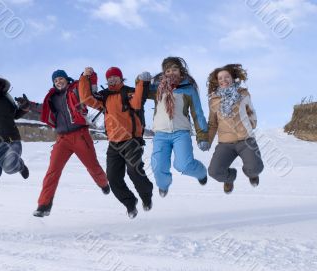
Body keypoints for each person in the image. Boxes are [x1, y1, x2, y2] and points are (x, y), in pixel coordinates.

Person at [78, 66, 153, 219]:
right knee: (112, 178)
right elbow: (86, 98)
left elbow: (137, 103)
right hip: (113, 143)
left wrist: (142, 83)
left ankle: (146, 196)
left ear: (120, 77)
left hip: (131, 141)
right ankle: (130, 203)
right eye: (109, 78)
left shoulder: (127, 91)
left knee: (134, 171)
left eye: (114, 77)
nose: (112, 79)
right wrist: (84, 78)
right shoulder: (104, 96)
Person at [33, 70, 109, 217]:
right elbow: (43, 109)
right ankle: (44, 205)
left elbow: (89, 88)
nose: (58, 82)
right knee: (52, 171)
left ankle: (103, 183)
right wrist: (28, 105)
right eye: (55, 80)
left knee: (92, 166)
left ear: (66, 79)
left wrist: (87, 74)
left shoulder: (76, 89)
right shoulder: (52, 97)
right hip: (62, 139)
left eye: (60, 79)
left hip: (80, 134)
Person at [147, 57, 209, 198]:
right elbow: (139, 92)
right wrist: (140, 80)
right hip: (160, 135)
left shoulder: (189, 90)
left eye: (174, 69)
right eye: (167, 70)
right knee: (158, 167)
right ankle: (163, 185)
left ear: (181, 71)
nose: (171, 72)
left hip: (181, 133)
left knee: (184, 165)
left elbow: (197, 113)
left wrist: (203, 135)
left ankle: (201, 172)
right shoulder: (157, 88)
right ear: (164, 73)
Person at [207, 64, 264, 194]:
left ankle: (252, 173)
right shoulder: (213, 100)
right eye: (220, 78)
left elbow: (251, 111)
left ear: (233, 78)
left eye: (226, 77)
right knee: (214, 172)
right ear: (217, 81)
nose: (223, 80)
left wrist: (252, 123)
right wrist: (207, 141)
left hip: (245, 140)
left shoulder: (243, 94)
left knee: (255, 168)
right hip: (225, 144)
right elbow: (212, 124)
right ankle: (230, 177)